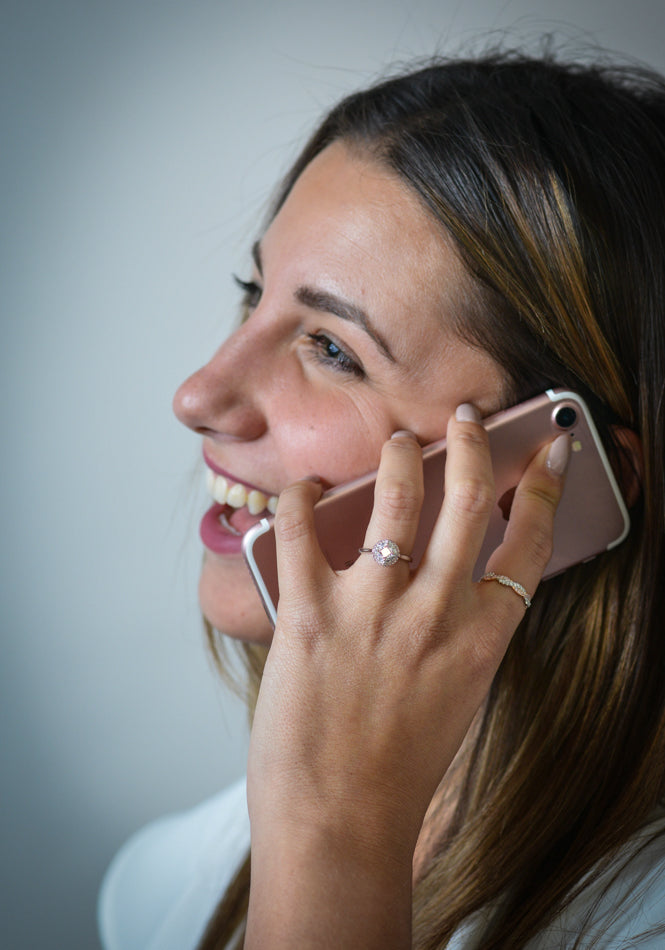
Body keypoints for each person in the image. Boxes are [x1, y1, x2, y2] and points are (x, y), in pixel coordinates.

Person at [99, 49, 665, 949]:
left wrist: (334, 847)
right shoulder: (162, 885)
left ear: (557, 473)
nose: (198, 395)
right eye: (253, 294)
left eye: (331, 349)